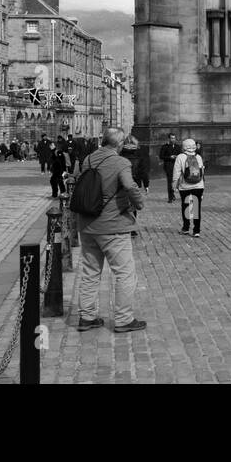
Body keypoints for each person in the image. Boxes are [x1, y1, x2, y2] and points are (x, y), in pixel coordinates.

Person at [74, 126, 147, 333]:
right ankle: (124, 319)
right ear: (120, 144)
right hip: (112, 225)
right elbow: (130, 186)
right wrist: (139, 203)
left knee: (90, 272)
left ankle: (86, 317)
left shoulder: (88, 159)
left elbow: (77, 180)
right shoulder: (120, 162)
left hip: (88, 223)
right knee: (124, 273)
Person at [173, 138, 205, 237]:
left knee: (186, 207)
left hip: (185, 186)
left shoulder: (180, 157)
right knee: (196, 207)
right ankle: (196, 230)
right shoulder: (198, 156)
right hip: (198, 185)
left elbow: (176, 172)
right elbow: (202, 172)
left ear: (184, 146)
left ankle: (186, 228)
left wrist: (174, 185)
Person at [159, 133, 182, 203]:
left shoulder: (178, 147)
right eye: (172, 138)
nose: (173, 139)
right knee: (170, 182)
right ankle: (170, 197)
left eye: (174, 138)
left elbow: (181, 155)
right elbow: (161, 156)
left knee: (177, 181)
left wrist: (177, 156)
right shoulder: (164, 146)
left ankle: (174, 195)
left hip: (177, 166)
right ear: (169, 139)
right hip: (168, 166)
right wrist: (170, 157)